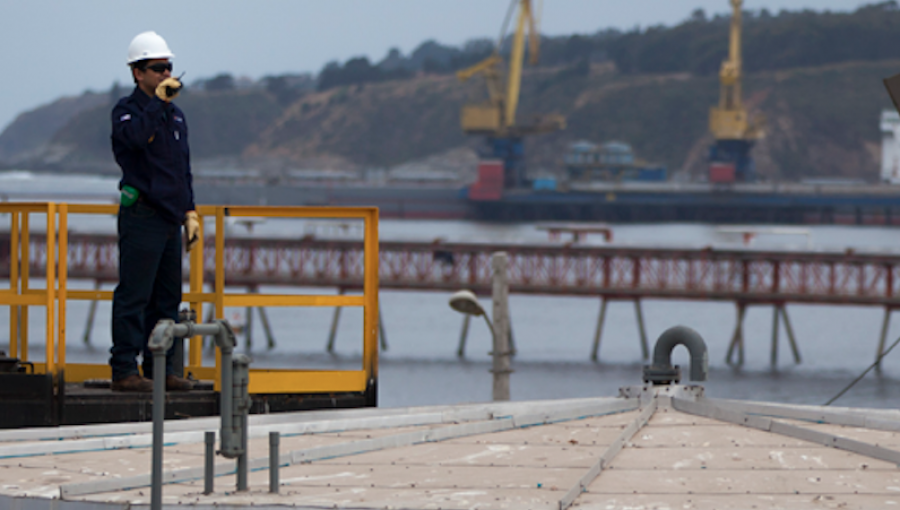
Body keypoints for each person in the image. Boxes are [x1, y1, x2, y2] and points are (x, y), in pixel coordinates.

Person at [109, 31, 200, 392]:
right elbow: (133, 141)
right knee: (134, 294)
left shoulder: (175, 117)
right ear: (137, 73)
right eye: (158, 68)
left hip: (169, 219)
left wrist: (190, 212)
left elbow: (182, 169)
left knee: (167, 299)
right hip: (143, 215)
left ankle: (159, 367)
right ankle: (125, 370)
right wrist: (156, 104)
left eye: (169, 67)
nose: (166, 74)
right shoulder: (128, 112)